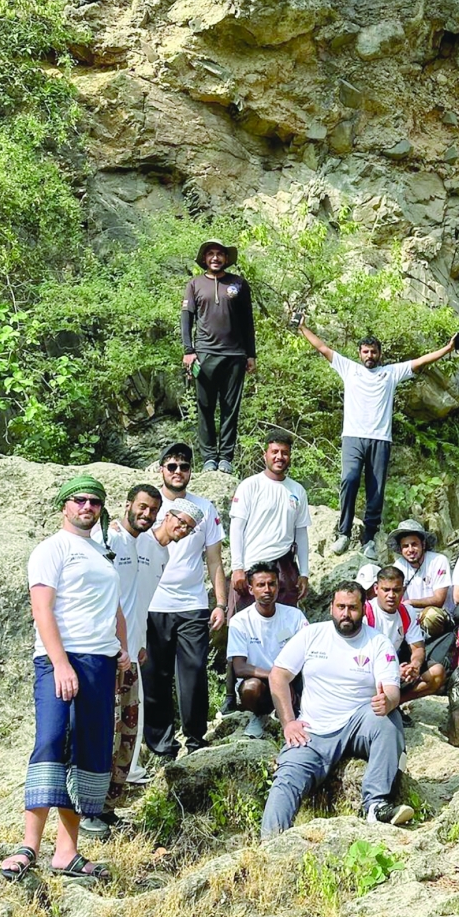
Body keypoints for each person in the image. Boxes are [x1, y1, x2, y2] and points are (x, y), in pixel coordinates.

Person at [0, 477, 128, 883]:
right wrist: (60, 664)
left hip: (100, 662)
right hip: (61, 659)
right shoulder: (51, 549)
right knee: (52, 742)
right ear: (64, 506)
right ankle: (28, 848)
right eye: (79, 500)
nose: (87, 506)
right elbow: (42, 610)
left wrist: (121, 650)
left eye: (94, 501)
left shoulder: (102, 552)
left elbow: (115, 607)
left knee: (88, 751)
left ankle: (67, 852)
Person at [81, 487, 201, 837]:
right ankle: (87, 809)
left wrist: (142, 643)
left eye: (189, 528)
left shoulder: (149, 549)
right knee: (104, 732)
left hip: (133, 652)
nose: (181, 529)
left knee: (125, 736)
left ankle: (105, 807)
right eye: (180, 521)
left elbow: (140, 601)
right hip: (107, 653)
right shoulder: (116, 540)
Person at [260, 581, 413, 836]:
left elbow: (392, 689)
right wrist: (288, 722)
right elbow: (278, 676)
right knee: (287, 778)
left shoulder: (378, 642)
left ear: (363, 609)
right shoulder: (312, 634)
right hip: (313, 729)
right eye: (340, 607)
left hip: (358, 722)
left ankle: (375, 804)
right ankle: (271, 843)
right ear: (331, 607)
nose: (346, 614)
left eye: (352, 608)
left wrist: (388, 701)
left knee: (388, 719)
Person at [297, 322, 459, 559]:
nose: (369, 356)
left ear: (379, 354)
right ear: (360, 353)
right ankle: (343, 534)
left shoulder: (391, 373)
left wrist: (448, 348)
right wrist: (302, 328)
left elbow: (422, 361)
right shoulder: (349, 368)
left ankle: (369, 540)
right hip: (353, 437)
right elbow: (322, 348)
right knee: (349, 479)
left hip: (380, 439)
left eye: (373, 352)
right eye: (365, 351)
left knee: (376, 492)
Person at [144, 442, 227, 758]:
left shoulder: (205, 508)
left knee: (193, 673)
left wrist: (220, 603)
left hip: (192, 604)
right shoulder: (149, 506)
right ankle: (161, 744)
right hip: (153, 604)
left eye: (185, 466)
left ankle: (195, 739)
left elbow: (215, 560)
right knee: (156, 676)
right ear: (161, 469)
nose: (178, 472)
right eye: (172, 466)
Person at [223, 429, 311, 714]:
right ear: (265, 454)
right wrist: (237, 567)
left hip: (284, 565)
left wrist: (305, 572)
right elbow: (236, 528)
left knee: (288, 628)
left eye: (284, 453)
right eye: (275, 452)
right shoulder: (250, 486)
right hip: (251, 565)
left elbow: (301, 534)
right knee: (238, 625)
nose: (280, 457)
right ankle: (230, 694)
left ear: (290, 457)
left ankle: (290, 687)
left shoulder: (297, 491)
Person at [181, 238, 256, 474]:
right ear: (204, 258)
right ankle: (208, 458)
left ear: (226, 258)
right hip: (204, 354)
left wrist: (251, 354)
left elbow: (248, 322)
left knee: (230, 408)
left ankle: (225, 458)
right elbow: (187, 318)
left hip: (235, 354)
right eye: (211, 254)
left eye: (220, 254)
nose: (215, 258)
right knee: (205, 407)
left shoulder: (239, 284)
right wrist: (188, 350)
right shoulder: (194, 284)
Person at [227, 563, 308, 739]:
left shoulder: (294, 616)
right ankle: (259, 715)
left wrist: (287, 680)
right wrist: (276, 676)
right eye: (260, 585)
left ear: (278, 586)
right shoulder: (240, 621)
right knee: (250, 688)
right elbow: (240, 668)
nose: (267, 590)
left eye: (272, 584)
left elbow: (308, 655)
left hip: (292, 680)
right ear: (250, 589)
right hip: (261, 682)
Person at [365, 566, 445, 700]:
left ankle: (395, 703)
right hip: (369, 671)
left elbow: (418, 648)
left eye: (396, 590)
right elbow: (361, 658)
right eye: (386, 590)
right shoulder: (366, 614)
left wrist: (414, 666)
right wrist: (393, 671)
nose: (391, 595)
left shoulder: (407, 612)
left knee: (437, 673)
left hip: (393, 664)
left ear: (403, 590)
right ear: (376, 589)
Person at [387, 518, 454, 614]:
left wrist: (411, 602)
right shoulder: (398, 565)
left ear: (423, 544)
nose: (410, 550)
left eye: (414, 544)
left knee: (431, 615)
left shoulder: (438, 560)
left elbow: (439, 600)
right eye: (405, 546)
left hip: (437, 613)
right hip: (409, 616)